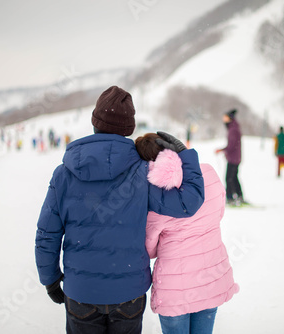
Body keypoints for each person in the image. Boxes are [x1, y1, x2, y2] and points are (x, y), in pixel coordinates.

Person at [34, 86, 205, 334]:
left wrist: (49, 279)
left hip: (81, 292)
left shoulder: (64, 174)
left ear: (95, 122)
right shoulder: (142, 172)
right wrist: (185, 154)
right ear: (129, 129)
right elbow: (188, 202)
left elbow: (46, 234)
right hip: (129, 294)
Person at [135, 133, 238, 334]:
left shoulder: (157, 195)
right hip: (211, 277)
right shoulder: (207, 172)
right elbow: (219, 212)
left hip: (175, 289)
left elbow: (150, 249)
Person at [215, 109, 247, 206]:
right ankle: (239, 196)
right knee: (233, 178)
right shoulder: (233, 127)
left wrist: (221, 150)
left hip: (233, 158)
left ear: (230, 118)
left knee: (229, 178)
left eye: (225, 117)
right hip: (235, 158)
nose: (223, 119)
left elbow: (232, 145)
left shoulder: (233, 129)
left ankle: (230, 198)